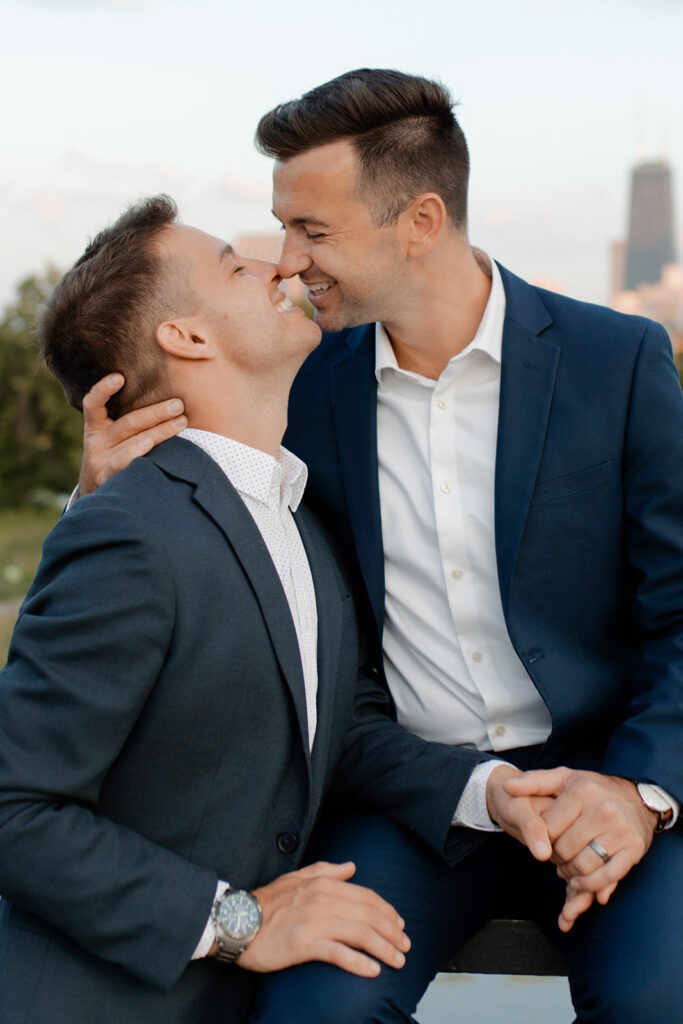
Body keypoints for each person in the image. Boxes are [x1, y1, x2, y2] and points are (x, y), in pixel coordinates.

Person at [75, 71, 683, 1023]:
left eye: (312, 231)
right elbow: (214, 520)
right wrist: (97, 496)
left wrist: (640, 791)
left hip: (602, 781)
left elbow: (679, 611)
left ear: (422, 221)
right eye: (282, 229)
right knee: (315, 1013)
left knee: (661, 998)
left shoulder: (621, 359)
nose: (286, 262)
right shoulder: (302, 392)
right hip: (416, 800)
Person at [0, 195, 552, 1024]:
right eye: (234, 264)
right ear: (186, 338)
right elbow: (16, 807)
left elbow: (339, 731)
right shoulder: (129, 532)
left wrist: (492, 792)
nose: (281, 265)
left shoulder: (293, 511)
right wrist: (239, 922)